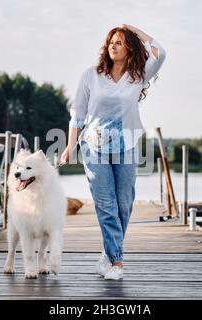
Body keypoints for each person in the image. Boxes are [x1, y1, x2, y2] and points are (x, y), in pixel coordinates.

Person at [61, 24, 166, 280]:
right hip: (94, 147)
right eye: (110, 41)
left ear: (129, 47)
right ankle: (117, 262)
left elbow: (160, 53)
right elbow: (78, 114)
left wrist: (132, 29)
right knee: (106, 204)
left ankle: (108, 254)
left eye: (119, 42)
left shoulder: (138, 75)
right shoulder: (91, 75)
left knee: (124, 205)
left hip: (127, 146)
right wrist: (70, 146)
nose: (113, 45)